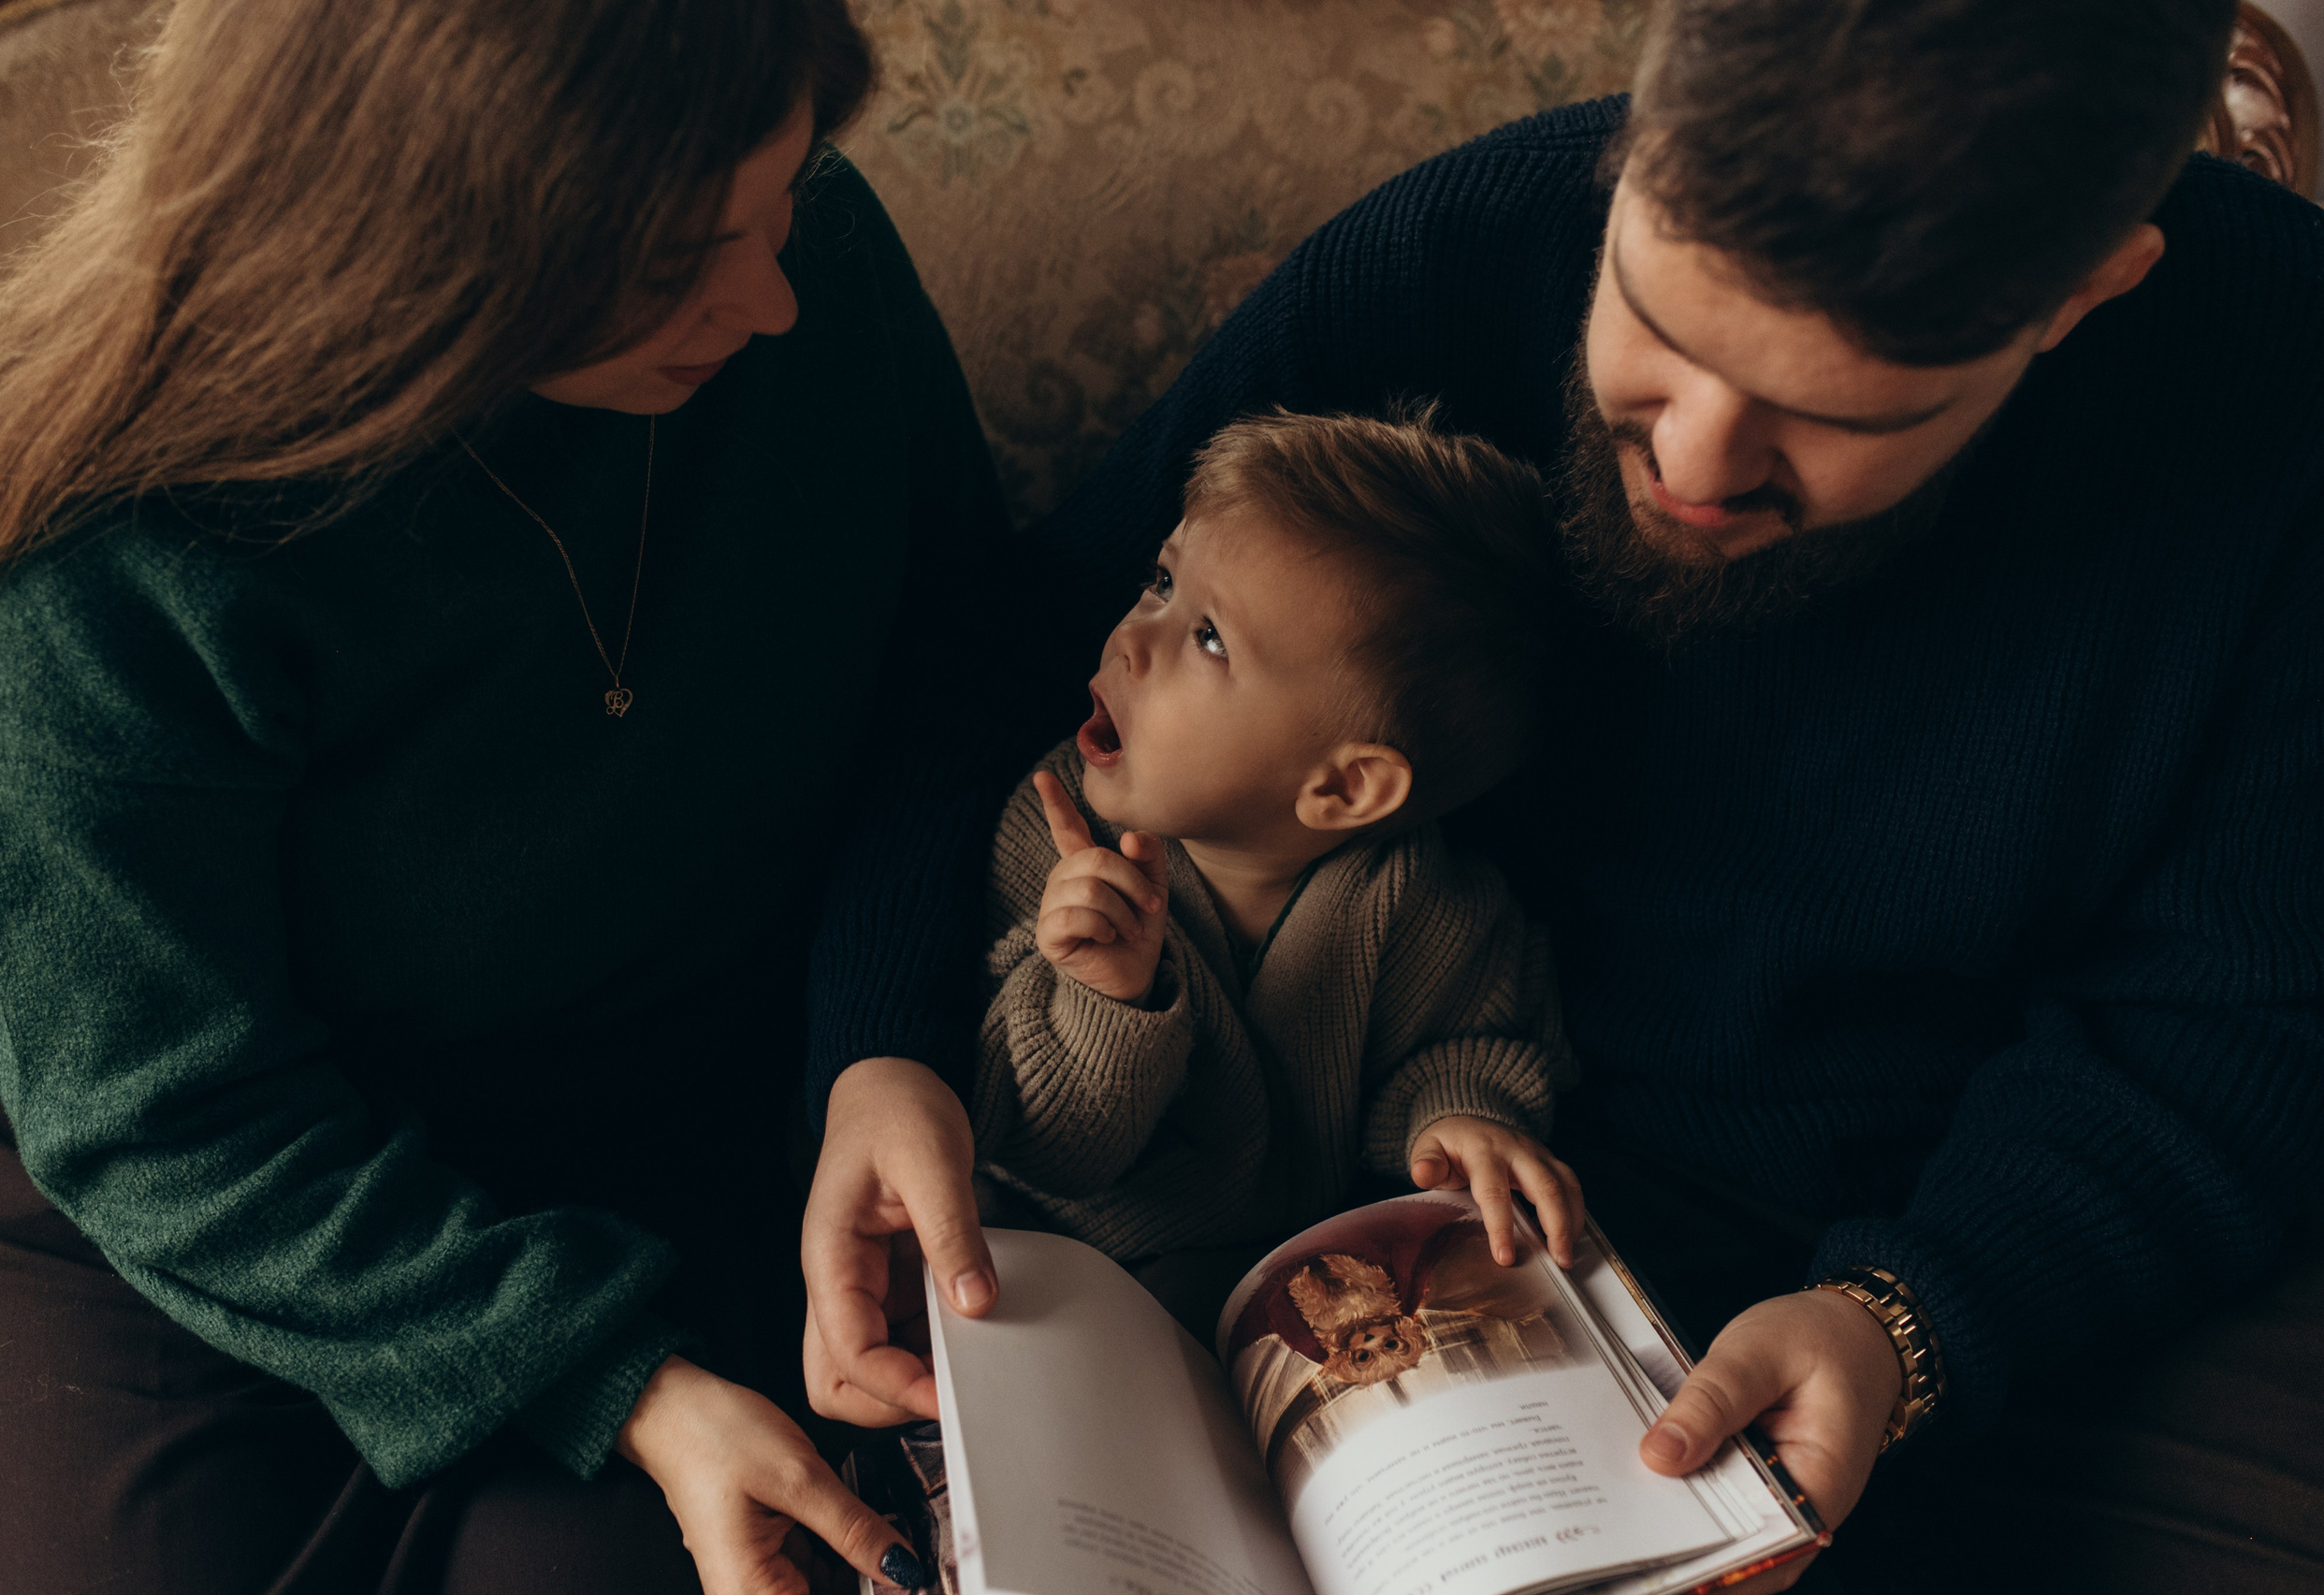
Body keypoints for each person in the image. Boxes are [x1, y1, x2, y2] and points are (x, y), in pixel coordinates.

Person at [800, 0, 2324, 1590]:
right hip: (1369, 1179)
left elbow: (2235, 1026)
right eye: (1663, 330)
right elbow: (1004, 656)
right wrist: (875, 1052)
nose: (1699, 466)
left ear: (2086, 292)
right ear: (1640, 140)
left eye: (1837, 411)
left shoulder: (2280, 397)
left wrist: (1911, 1327)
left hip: (1901, 1230)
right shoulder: (1481, 236)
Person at [0, 1, 999, 1592]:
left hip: (660, 1133)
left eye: (781, 201)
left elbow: (961, 661)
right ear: (424, 262)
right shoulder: (110, 569)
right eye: (683, 263)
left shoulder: (813, 262)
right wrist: (607, 1380)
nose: (772, 298)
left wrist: (880, 1040)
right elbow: (165, 1112)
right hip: (210, 1190)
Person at [971, 410, 1582, 1307]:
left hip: (1292, 1292)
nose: (1133, 640)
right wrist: (1101, 995)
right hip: (1061, 1281)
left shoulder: (1425, 906)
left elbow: (1472, 1043)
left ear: (1342, 790)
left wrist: (1462, 1117)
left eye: (1209, 637)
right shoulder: (1051, 835)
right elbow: (1038, 1144)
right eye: (1160, 581)